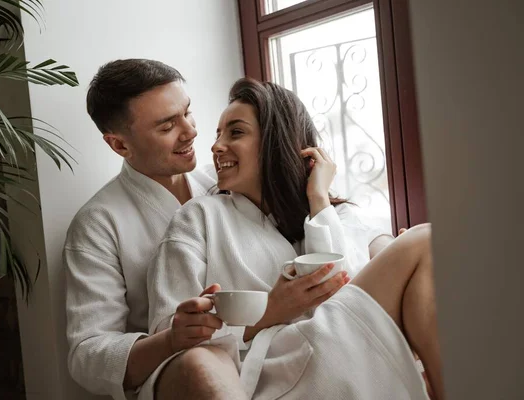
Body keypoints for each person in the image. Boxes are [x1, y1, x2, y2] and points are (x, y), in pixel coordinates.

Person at [63, 60, 347, 400]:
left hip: (267, 351)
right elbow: (87, 355)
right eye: (167, 126)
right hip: (176, 370)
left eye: (188, 112)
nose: (191, 132)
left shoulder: (229, 179)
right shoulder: (97, 224)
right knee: (201, 363)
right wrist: (171, 339)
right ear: (120, 145)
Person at [148, 78, 444, 400]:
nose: (216, 146)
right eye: (218, 134)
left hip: (346, 345)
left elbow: (342, 290)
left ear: (276, 142)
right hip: (276, 368)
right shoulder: (198, 217)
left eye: (235, 132)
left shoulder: (337, 214)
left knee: (426, 242)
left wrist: (318, 198)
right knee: (424, 239)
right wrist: (267, 313)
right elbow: (168, 332)